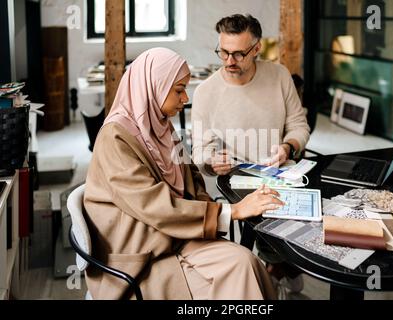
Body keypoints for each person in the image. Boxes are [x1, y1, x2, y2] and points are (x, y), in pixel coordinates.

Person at [83, 48, 281, 300]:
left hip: (174, 236)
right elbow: (155, 206)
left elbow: (192, 177)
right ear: (153, 86)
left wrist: (208, 211)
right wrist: (233, 211)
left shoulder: (160, 126)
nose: (185, 98)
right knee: (237, 275)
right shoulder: (115, 137)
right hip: (143, 255)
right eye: (178, 90)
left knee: (246, 262)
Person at [191, 14, 311, 296]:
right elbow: (199, 151)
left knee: (316, 212)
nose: (229, 61)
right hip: (238, 179)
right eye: (223, 52)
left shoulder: (279, 75)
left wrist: (288, 147)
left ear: (256, 48)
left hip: (283, 170)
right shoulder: (206, 92)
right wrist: (211, 160)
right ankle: (277, 266)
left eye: (238, 54)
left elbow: (298, 125)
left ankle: (282, 266)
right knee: (272, 217)